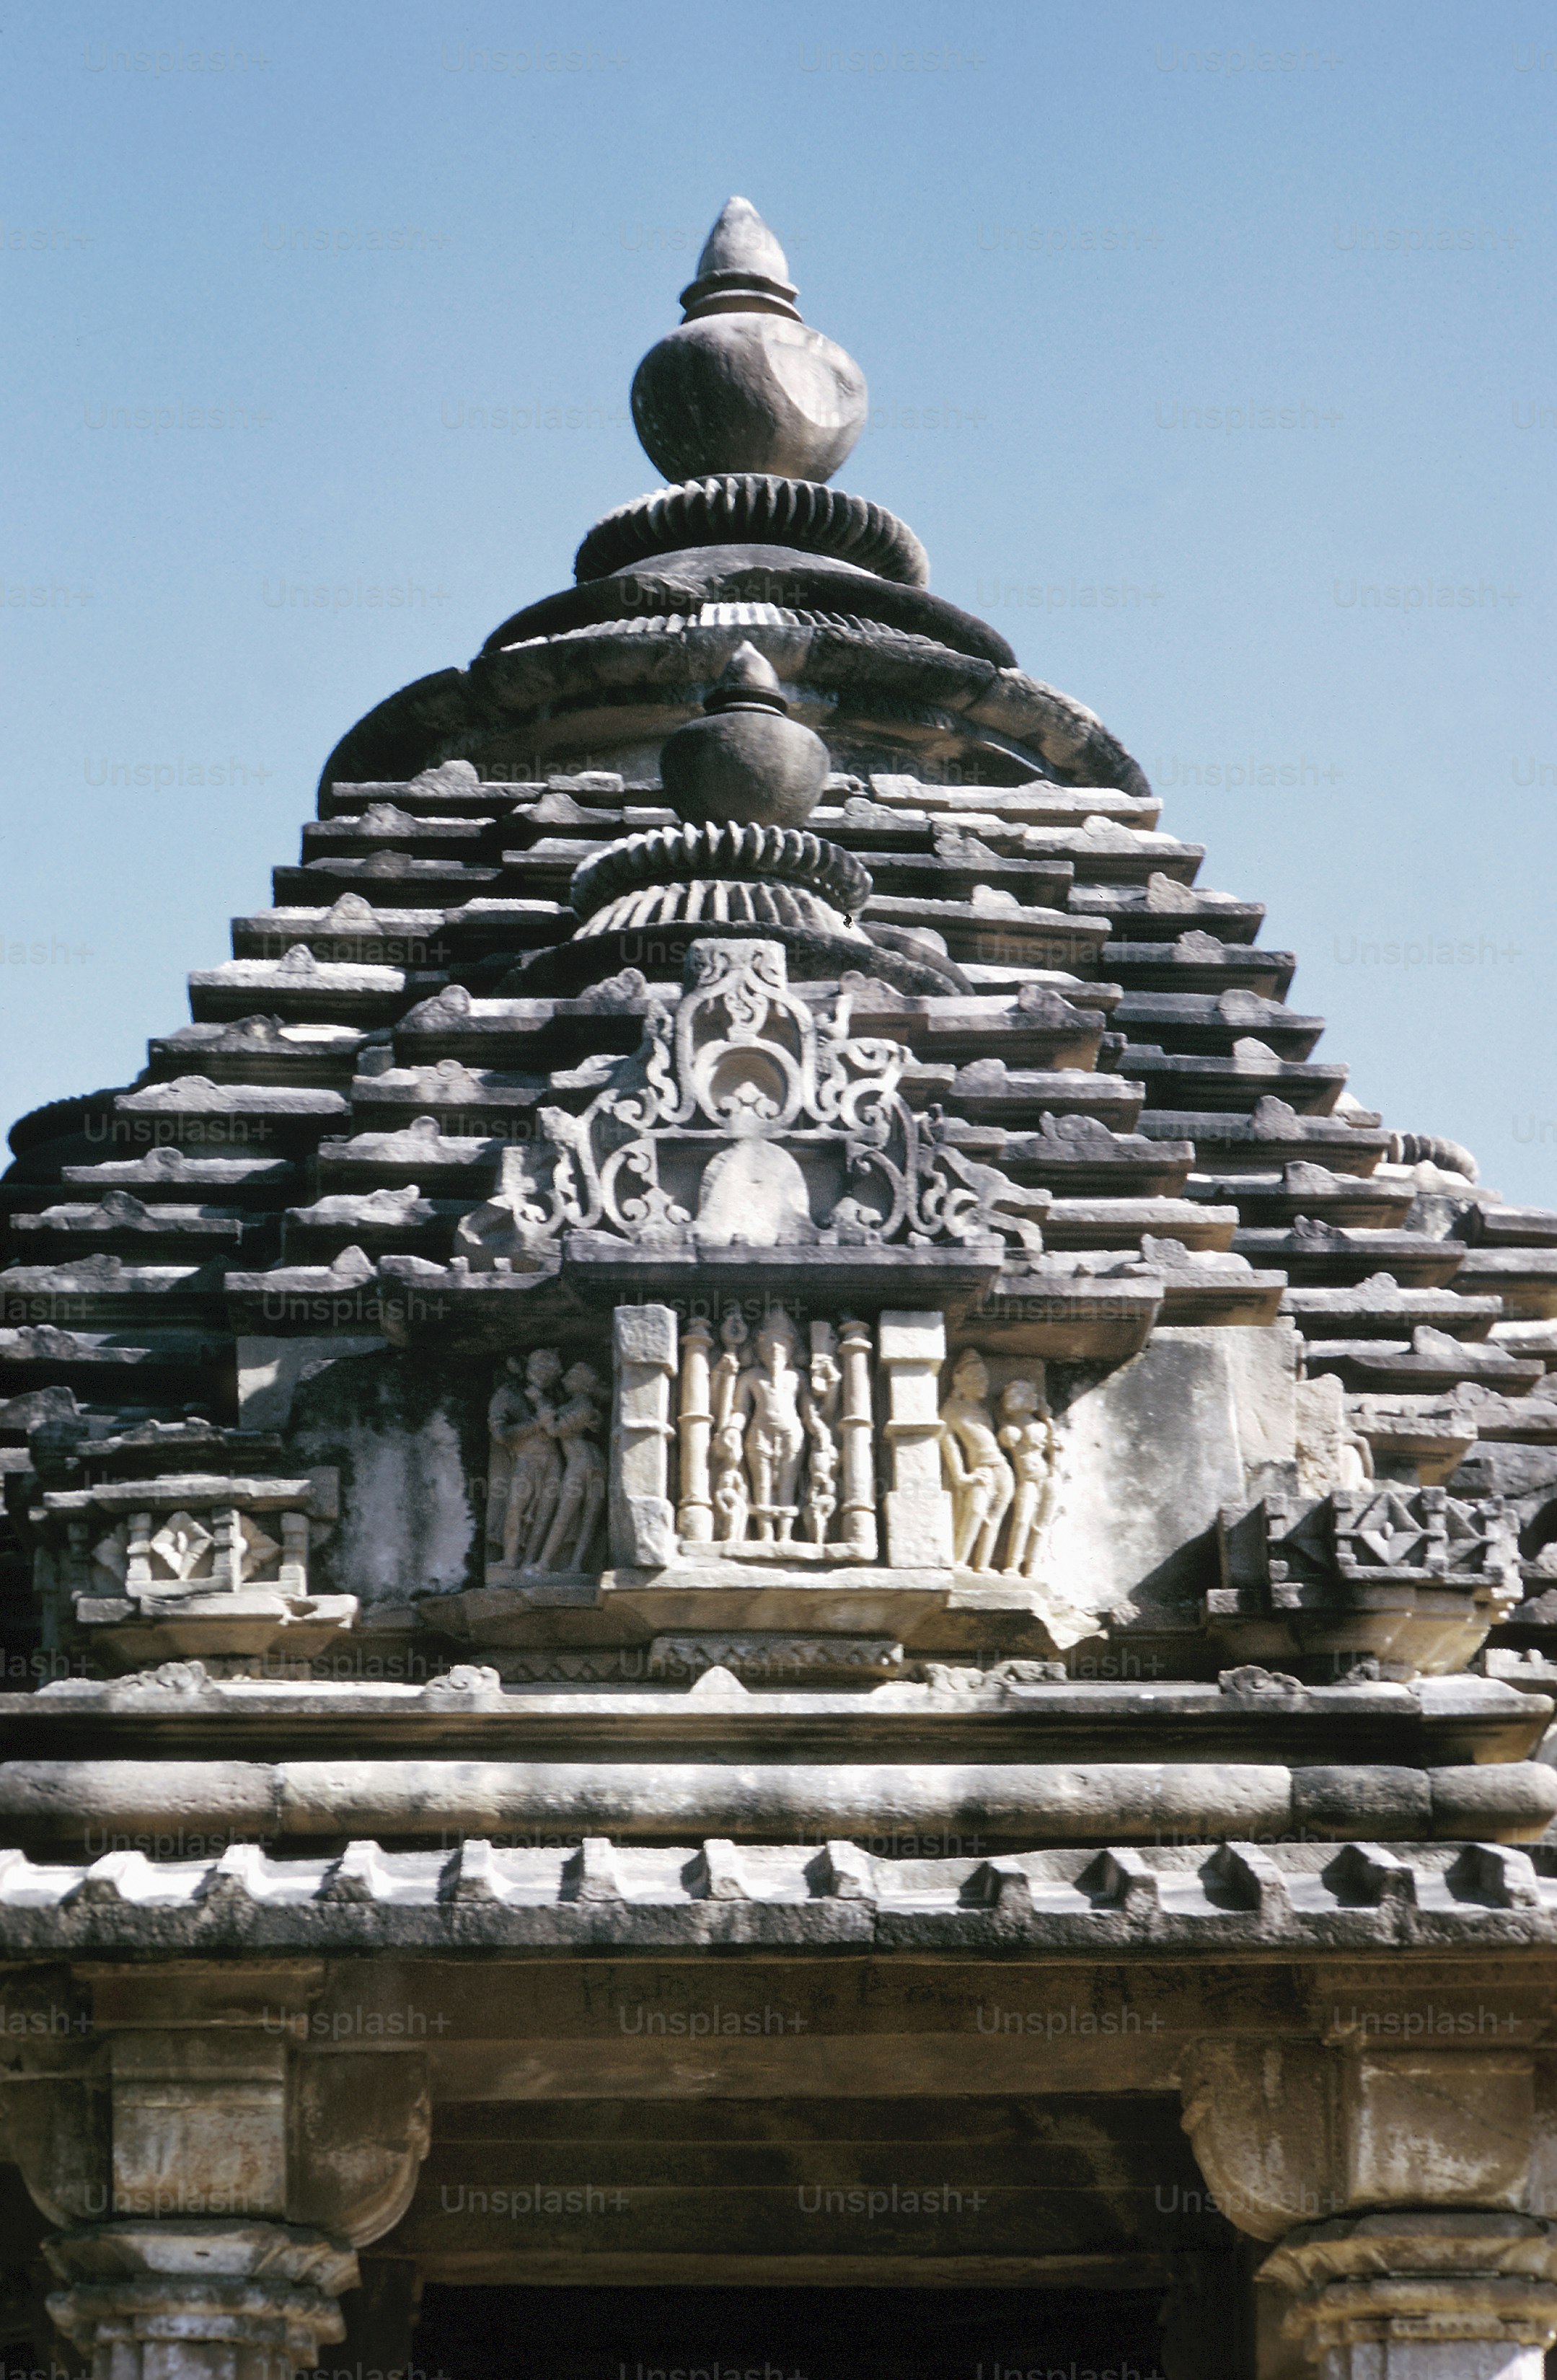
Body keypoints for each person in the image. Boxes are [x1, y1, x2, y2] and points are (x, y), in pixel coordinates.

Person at [938, 1349, 1014, 1572]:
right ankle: (959, 1561)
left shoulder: (984, 1412)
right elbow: (948, 1444)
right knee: (976, 1512)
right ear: (958, 1379)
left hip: (1002, 1468)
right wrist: (961, 1477)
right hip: (981, 1469)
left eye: (985, 1378)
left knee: (994, 1518)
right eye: (975, 1378)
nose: (982, 1383)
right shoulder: (952, 1409)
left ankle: (982, 1565)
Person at [998, 1376, 1057, 1579]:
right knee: (1022, 1521)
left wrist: (1047, 1418)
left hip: (1047, 1476)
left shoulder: (1042, 1425)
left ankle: (1031, 1566)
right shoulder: (1010, 1427)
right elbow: (1006, 1440)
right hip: (1027, 1480)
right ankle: (1012, 1565)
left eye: (1019, 1394)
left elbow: (1053, 1448)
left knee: (1041, 1524)